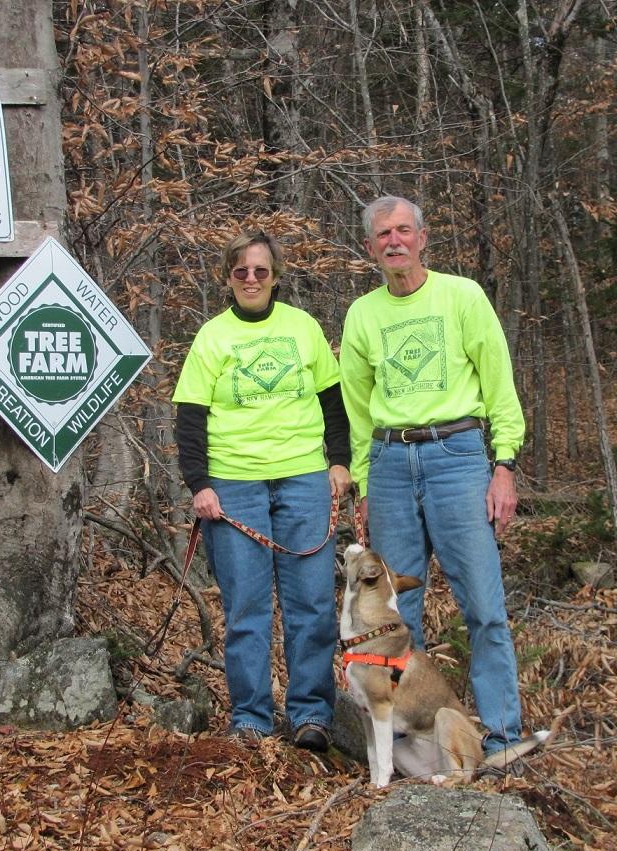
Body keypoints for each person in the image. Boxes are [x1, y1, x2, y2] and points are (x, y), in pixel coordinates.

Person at [338, 195, 527, 770]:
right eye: (382, 235)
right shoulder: (362, 314)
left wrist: (504, 464)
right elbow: (358, 407)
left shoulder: (462, 296)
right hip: (391, 462)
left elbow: (499, 382)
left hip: (459, 455)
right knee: (397, 619)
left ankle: (499, 737)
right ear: (371, 248)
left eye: (403, 231)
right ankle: (404, 747)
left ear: (422, 238)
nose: (394, 241)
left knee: (484, 606)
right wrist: (364, 487)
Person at [173, 231, 351, 751]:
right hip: (234, 486)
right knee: (247, 608)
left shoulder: (303, 327)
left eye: (261, 271)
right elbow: (190, 417)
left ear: (276, 277)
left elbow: (332, 401)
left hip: (303, 479)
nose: (251, 279)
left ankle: (311, 716)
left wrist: (338, 463)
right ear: (228, 278)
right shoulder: (212, 336)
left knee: (312, 605)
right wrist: (199, 484)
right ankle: (250, 717)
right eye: (240, 271)